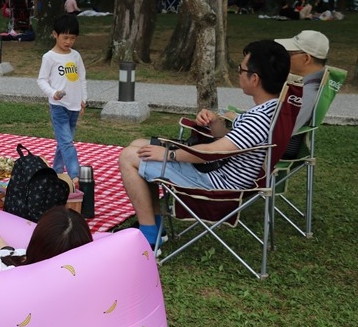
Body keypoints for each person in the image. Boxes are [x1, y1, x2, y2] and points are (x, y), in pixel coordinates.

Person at [118, 40, 290, 248]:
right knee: (139, 144)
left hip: (217, 185)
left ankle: (148, 238)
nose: (238, 73)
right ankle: (156, 225)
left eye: (241, 69)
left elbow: (212, 151)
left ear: (254, 78)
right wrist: (216, 123)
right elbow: (234, 145)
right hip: (223, 171)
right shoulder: (273, 110)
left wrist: (167, 154)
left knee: (129, 156)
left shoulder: (258, 118)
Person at [37, 14, 87, 187]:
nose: (68, 42)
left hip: (74, 105)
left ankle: (57, 170)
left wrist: (83, 99)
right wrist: (53, 93)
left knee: (65, 140)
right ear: (55, 35)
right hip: (58, 106)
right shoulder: (49, 57)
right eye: (65, 37)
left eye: (72, 38)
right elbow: (41, 80)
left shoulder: (76, 56)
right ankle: (75, 175)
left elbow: (82, 78)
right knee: (66, 141)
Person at [275, 30, 329, 157]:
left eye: (289, 54)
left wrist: (237, 120)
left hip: (270, 153)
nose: (285, 57)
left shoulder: (306, 93)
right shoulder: (316, 86)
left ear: (306, 58)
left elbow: (280, 134)